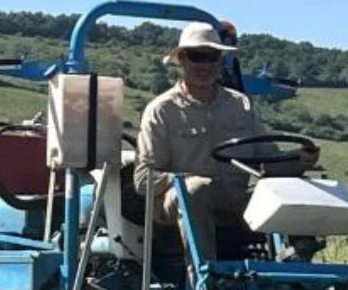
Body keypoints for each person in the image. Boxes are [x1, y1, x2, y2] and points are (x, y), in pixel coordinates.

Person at [134, 21, 319, 276]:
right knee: (196, 189)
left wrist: (301, 160)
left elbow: (268, 160)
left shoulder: (239, 105)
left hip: (234, 200)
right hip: (177, 204)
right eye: (197, 56)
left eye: (211, 56)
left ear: (220, 60)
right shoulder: (162, 110)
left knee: (293, 189)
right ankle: (206, 277)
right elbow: (144, 179)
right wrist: (187, 180)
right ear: (182, 60)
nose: (204, 65)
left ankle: (297, 275)